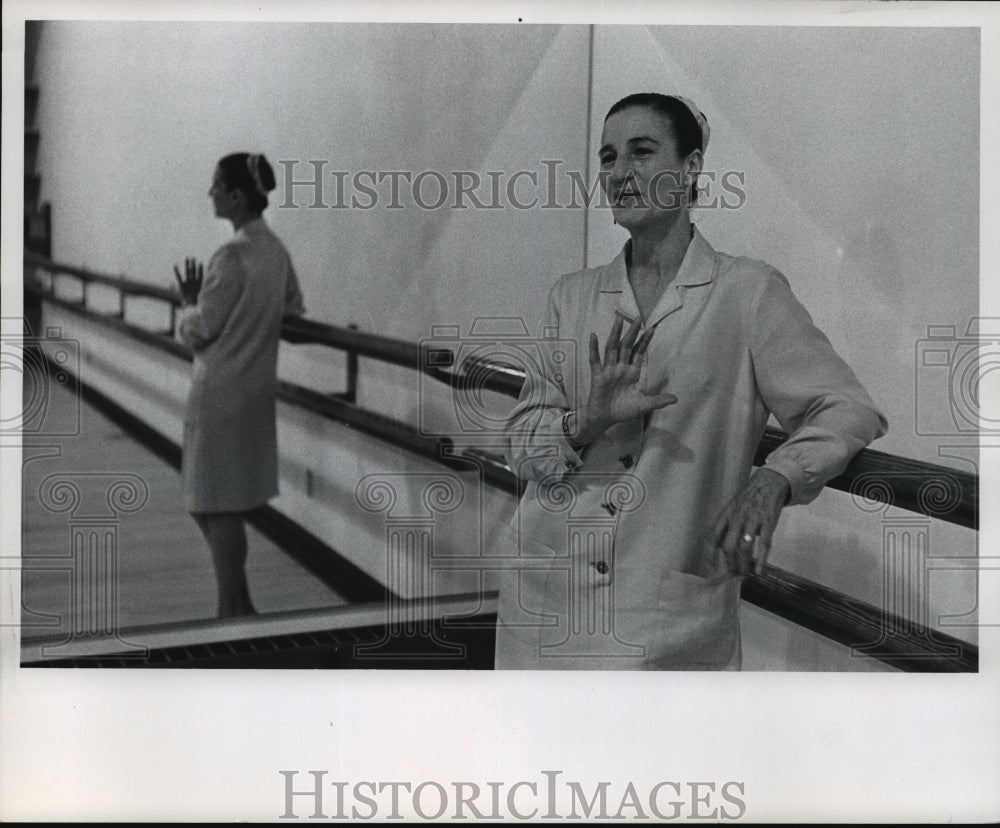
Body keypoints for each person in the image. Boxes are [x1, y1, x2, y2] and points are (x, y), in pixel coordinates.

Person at [498, 93, 888, 670]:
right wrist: (589, 420)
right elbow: (521, 445)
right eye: (608, 158)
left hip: (665, 621)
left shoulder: (748, 294)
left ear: (691, 169)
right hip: (547, 599)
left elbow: (847, 407)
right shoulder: (572, 296)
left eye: (642, 152)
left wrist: (772, 481)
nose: (620, 173)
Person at [173, 152, 305, 618]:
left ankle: (233, 605)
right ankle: (236, 602)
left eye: (215, 185)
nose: (209, 193)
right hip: (254, 392)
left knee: (212, 501)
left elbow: (200, 328)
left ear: (234, 195)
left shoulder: (232, 255)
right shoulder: (275, 251)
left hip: (218, 392)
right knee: (219, 499)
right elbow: (293, 313)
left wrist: (188, 302)